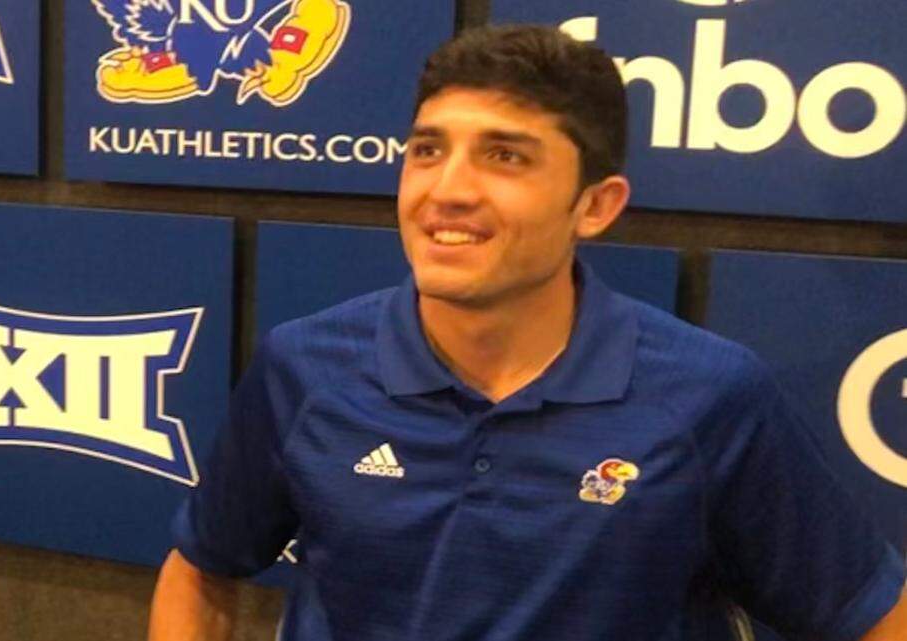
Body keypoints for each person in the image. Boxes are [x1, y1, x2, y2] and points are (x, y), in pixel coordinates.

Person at [148, 24, 907, 641]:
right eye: (427, 150)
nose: (447, 190)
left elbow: (870, 614)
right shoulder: (305, 366)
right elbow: (201, 568)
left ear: (597, 205)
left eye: (504, 156)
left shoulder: (709, 396)